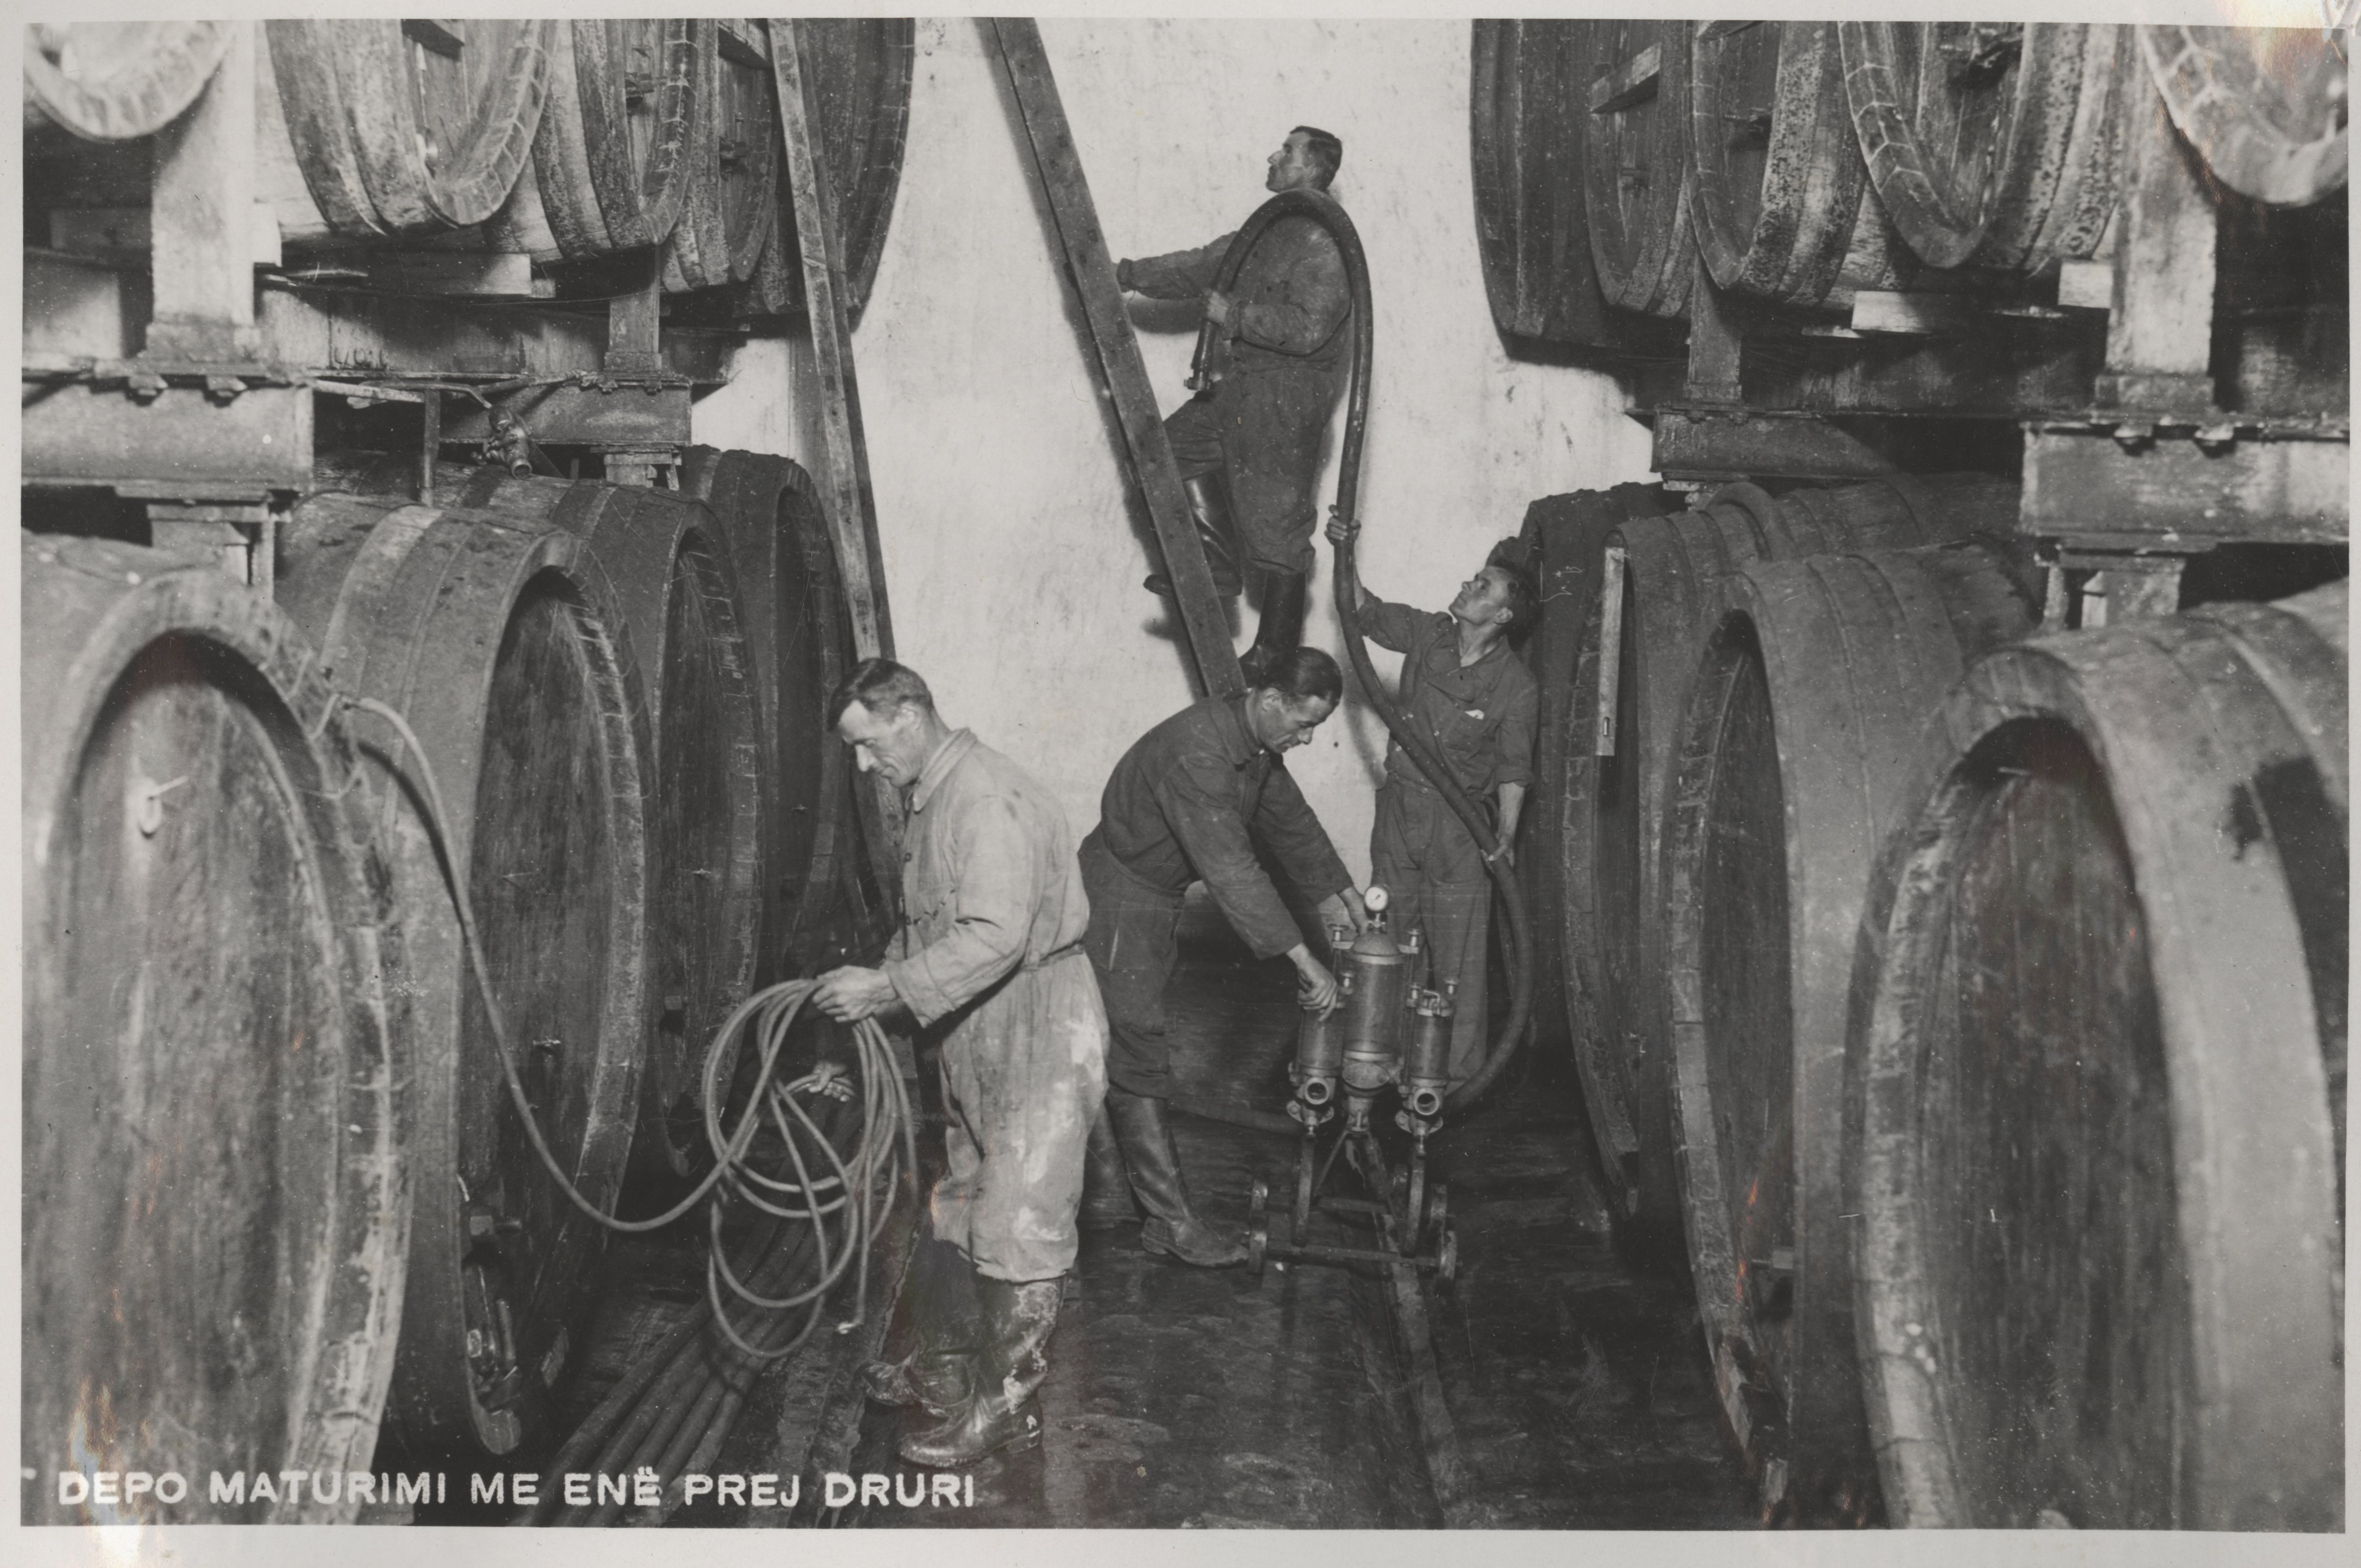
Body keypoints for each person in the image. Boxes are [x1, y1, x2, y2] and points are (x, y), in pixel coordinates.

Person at [810, 659, 1106, 1469]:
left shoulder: (984, 799)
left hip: (1037, 1015)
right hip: (981, 1015)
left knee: (1021, 1213)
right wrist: (879, 984)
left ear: (907, 714)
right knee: (965, 1195)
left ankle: (1005, 1407)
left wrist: (891, 986)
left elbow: (995, 935)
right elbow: (933, 926)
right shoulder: (935, 797)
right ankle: (944, 1365)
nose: (866, 765)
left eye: (868, 744)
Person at [1078, 647, 1365, 1264]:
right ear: (1268, 701)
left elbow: (1291, 821)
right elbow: (1233, 871)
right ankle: (1171, 1223)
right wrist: (1304, 960)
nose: (1309, 739)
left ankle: (1106, 1197)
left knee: (1116, 1038)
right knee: (1137, 1042)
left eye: (1317, 725)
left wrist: (1345, 896)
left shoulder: (1254, 743)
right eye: (1303, 723)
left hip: (1150, 896)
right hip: (1121, 899)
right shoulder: (1200, 753)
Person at [1116, 126, 1351, 681]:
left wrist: (1237, 318)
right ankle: (1215, 564)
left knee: (1275, 529)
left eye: (1287, 151)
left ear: (1314, 168)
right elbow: (1200, 266)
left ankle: (1274, 652)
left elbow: (1311, 326)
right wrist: (1126, 275)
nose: (1273, 155)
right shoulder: (1268, 229)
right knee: (1163, 453)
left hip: (1287, 399)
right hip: (1243, 385)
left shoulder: (1324, 242)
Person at [1325, 510, 1538, 1083]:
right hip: (1400, 811)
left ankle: (1452, 1082)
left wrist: (1505, 839)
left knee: (1457, 962)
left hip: (1460, 828)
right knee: (1387, 942)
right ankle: (1377, 1062)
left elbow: (1514, 770)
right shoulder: (1427, 633)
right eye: (1473, 578)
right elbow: (1361, 609)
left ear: (1502, 615)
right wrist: (1342, 550)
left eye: (1483, 586)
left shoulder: (1516, 686)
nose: (1469, 586)